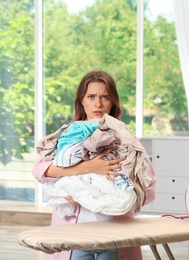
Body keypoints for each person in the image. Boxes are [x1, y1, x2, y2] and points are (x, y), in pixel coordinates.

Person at [32, 70, 157, 260]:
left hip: (113, 234)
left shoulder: (125, 139)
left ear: (112, 102)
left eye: (105, 97)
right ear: (81, 100)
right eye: (91, 97)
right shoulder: (69, 134)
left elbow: (149, 186)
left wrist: (123, 193)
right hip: (75, 235)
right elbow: (40, 170)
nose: (98, 104)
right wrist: (91, 167)